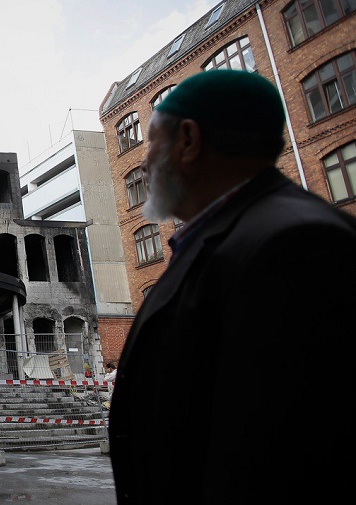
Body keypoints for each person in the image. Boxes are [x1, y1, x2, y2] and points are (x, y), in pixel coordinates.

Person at [108, 69, 356, 505]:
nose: (144, 163)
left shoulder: (295, 244)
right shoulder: (222, 235)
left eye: (152, 142)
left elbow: (285, 449)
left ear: (188, 140)